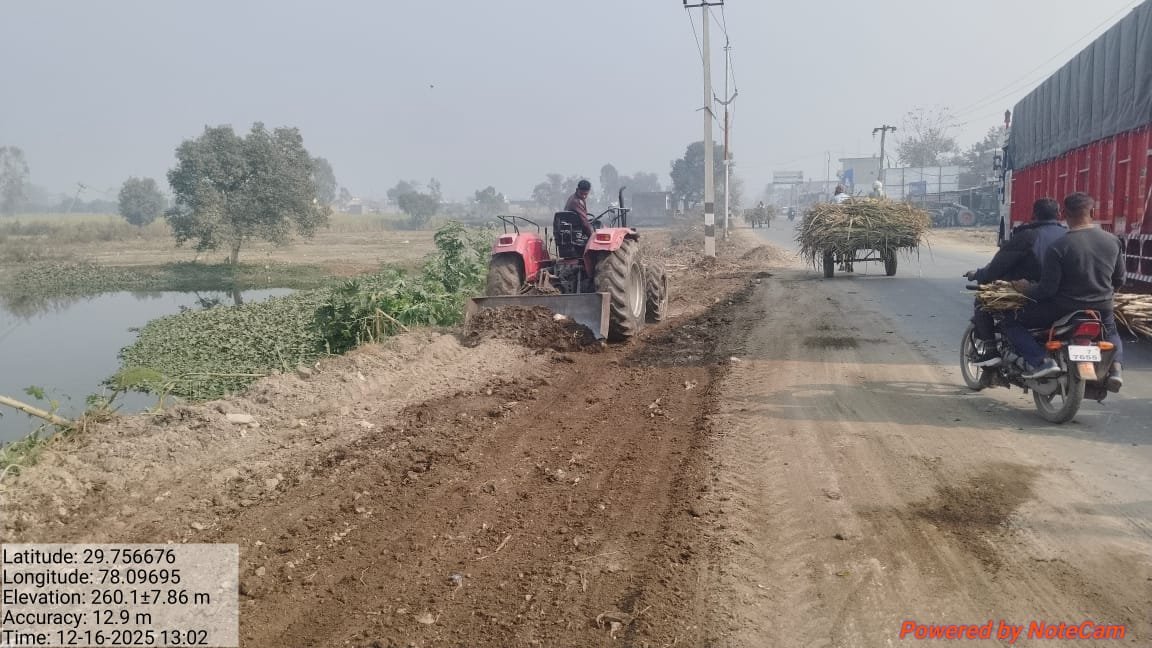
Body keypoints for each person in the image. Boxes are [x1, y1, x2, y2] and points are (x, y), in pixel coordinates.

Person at [1000, 192, 1125, 388]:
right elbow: (1119, 280)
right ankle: (1116, 369)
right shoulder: (1112, 241)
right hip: (1102, 307)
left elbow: (1047, 290)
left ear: (1064, 214)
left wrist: (1025, 289)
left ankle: (1042, 361)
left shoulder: (1059, 246)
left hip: (1062, 308)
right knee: (1111, 330)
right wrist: (1104, 296)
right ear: (1093, 212)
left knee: (1011, 321)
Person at [964, 198, 1067, 364]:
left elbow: (997, 267)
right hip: (1069, 301)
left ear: (1033, 215)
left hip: (1034, 298)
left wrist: (979, 274)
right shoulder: (1070, 237)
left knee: (991, 309)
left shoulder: (1027, 236)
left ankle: (991, 351)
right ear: (1059, 215)